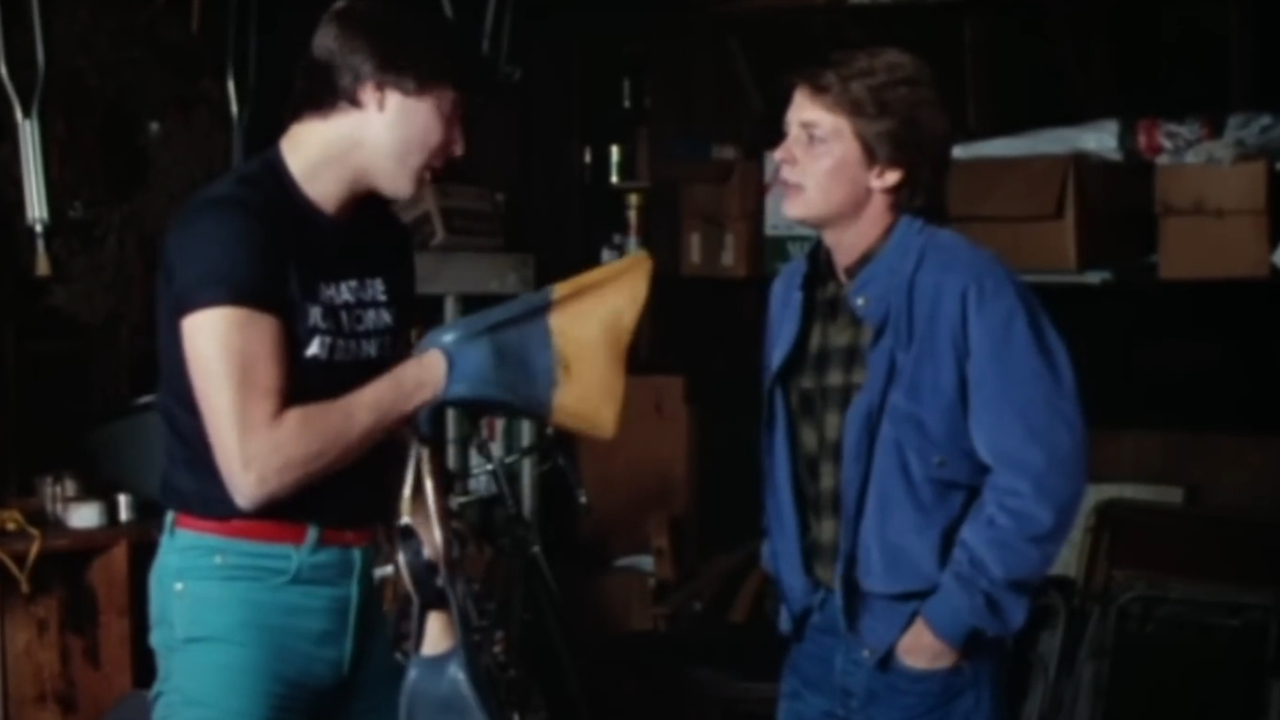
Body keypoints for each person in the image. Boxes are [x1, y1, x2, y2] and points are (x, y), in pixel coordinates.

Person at [148, 2, 471, 718]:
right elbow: (256, 465)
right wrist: (426, 375)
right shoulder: (231, 228)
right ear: (375, 89)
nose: (458, 144)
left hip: (368, 581)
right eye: (448, 113)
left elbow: (382, 430)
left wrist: (434, 586)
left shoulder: (382, 240)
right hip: (243, 586)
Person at [761, 47, 1086, 720]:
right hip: (816, 641)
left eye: (812, 137)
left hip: (920, 660)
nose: (781, 155)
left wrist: (943, 628)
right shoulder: (792, 291)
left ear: (886, 166)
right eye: (787, 132)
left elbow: (1040, 473)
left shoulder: (967, 287)